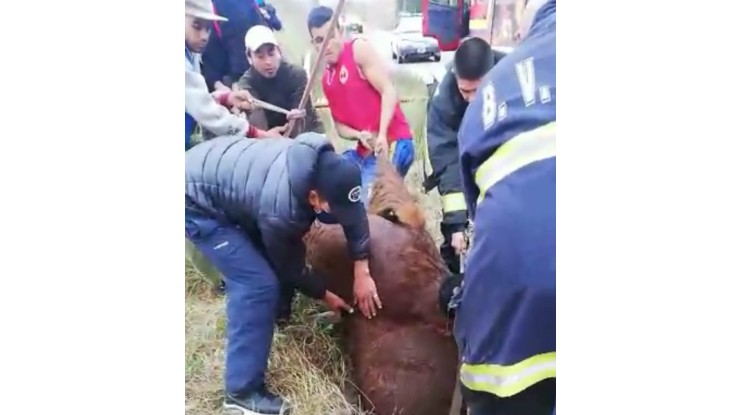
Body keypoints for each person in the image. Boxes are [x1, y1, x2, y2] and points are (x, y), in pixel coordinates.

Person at [186, 132, 383, 414]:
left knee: (263, 262)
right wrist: (325, 294)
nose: (340, 215)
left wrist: (362, 268)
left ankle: (275, 315)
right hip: (195, 199)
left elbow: (355, 214)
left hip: (228, 177)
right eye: (333, 209)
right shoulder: (283, 209)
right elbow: (288, 265)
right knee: (257, 284)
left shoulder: (322, 164)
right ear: (313, 197)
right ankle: (241, 393)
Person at [453, 0, 556, 414]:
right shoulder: (449, 102)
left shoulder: (488, 96)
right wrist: (454, 227)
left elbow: (483, 208)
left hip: (511, 303)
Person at [307, 6, 415, 205]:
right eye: (319, 41)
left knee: (366, 204)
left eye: (330, 36)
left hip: (394, 142)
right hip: (363, 151)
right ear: (314, 44)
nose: (327, 45)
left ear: (340, 31)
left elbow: (389, 91)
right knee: (333, 187)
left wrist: (382, 133)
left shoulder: (358, 50)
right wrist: (359, 135)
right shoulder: (327, 80)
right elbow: (339, 126)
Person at [425, 37, 507, 274]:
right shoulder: (444, 99)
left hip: (504, 163)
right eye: (465, 91)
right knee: (455, 238)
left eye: (477, 90)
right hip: (465, 161)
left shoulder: (512, 74)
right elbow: (447, 160)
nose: (471, 99)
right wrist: (456, 223)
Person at [185, 0, 284, 150]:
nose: (204, 36)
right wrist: (257, 134)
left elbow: (195, 100)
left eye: (208, 28)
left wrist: (226, 97)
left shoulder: (192, 56)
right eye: (197, 26)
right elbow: (204, 111)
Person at [237, 25, 323, 138]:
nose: (268, 61)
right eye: (260, 56)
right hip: (269, 140)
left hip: (307, 134)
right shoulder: (246, 85)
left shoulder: (297, 75)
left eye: (271, 53)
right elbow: (259, 127)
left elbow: (305, 120)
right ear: (249, 58)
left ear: (279, 51)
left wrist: (295, 122)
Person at [200, 0, 266, 90]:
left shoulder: (249, 4)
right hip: (230, 82)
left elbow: (263, 36)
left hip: (259, 74)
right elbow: (210, 57)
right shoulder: (210, 8)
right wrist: (220, 85)